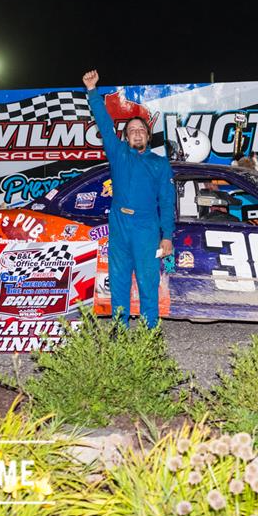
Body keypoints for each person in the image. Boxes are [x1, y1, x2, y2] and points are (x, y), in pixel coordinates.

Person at [82, 70, 175, 328]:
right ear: (125, 137)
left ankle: (149, 334)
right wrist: (92, 92)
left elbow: (167, 201)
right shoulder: (118, 153)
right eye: (131, 130)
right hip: (120, 224)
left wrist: (166, 235)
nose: (136, 133)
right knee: (119, 280)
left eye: (141, 130)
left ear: (147, 136)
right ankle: (118, 331)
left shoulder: (159, 163)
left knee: (147, 282)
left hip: (146, 227)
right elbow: (103, 121)